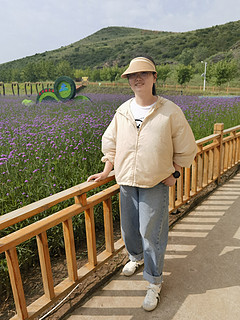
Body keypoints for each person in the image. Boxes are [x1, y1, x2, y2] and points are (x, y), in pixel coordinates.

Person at [87, 56, 197, 311]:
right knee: (128, 229)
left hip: (155, 182)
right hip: (125, 181)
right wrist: (106, 171)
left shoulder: (169, 111)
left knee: (152, 233)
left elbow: (186, 146)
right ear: (128, 81)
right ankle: (135, 258)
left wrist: (175, 173)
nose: (138, 79)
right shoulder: (123, 111)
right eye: (132, 76)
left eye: (144, 74)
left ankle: (154, 282)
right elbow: (111, 143)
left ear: (154, 77)